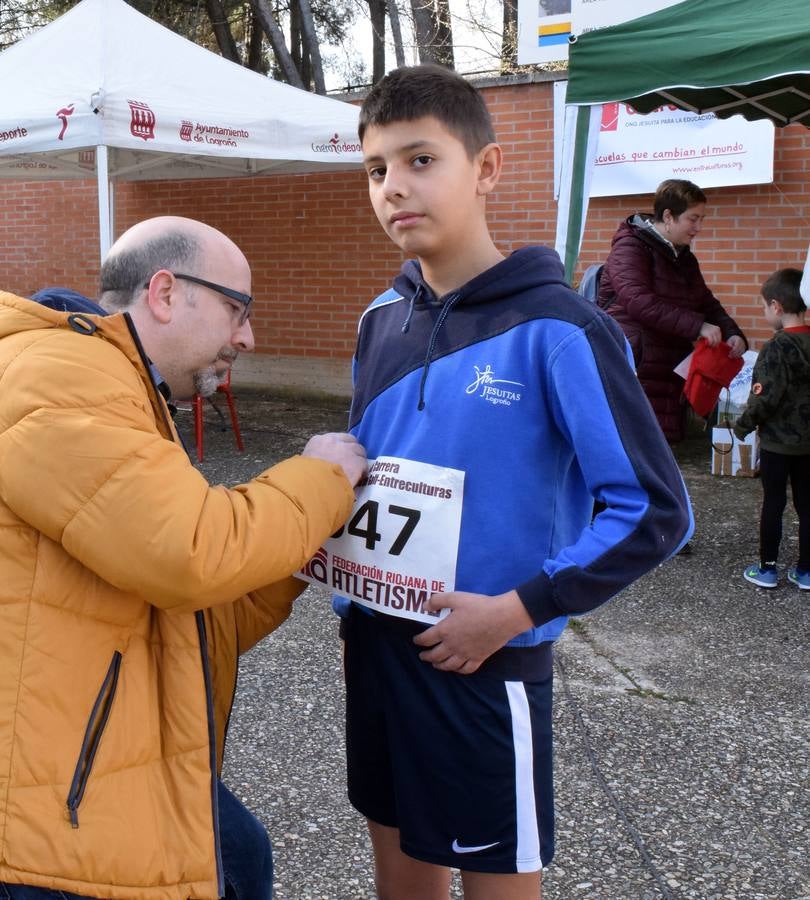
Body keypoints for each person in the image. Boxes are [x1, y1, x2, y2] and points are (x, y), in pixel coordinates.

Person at [0, 216, 368, 900]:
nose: (247, 337)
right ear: (166, 292)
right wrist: (321, 481)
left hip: (52, 762)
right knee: (232, 863)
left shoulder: (110, 381)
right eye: (237, 310)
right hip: (20, 804)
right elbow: (190, 552)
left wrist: (293, 555)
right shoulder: (54, 375)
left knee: (237, 857)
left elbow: (182, 612)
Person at [340, 65, 692, 900]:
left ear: (487, 168)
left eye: (420, 160)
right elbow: (369, 473)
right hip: (376, 647)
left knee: (496, 883)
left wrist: (517, 610)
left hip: (486, 658)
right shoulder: (376, 321)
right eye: (376, 169)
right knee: (400, 876)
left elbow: (653, 510)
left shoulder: (561, 328)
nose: (394, 187)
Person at [598, 178, 747, 443]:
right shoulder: (630, 246)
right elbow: (638, 300)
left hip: (667, 367)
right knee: (633, 445)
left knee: (660, 450)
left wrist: (732, 332)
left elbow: (705, 302)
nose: (698, 228)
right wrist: (697, 326)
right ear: (668, 216)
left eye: (701, 219)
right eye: (693, 219)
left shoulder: (684, 257)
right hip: (635, 361)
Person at [736, 268, 810, 590]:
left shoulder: (776, 347)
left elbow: (765, 397)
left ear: (776, 306)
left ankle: (767, 569)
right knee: (807, 506)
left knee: (774, 503)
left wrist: (742, 425)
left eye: (765, 308)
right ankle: (806, 571)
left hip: (778, 445)